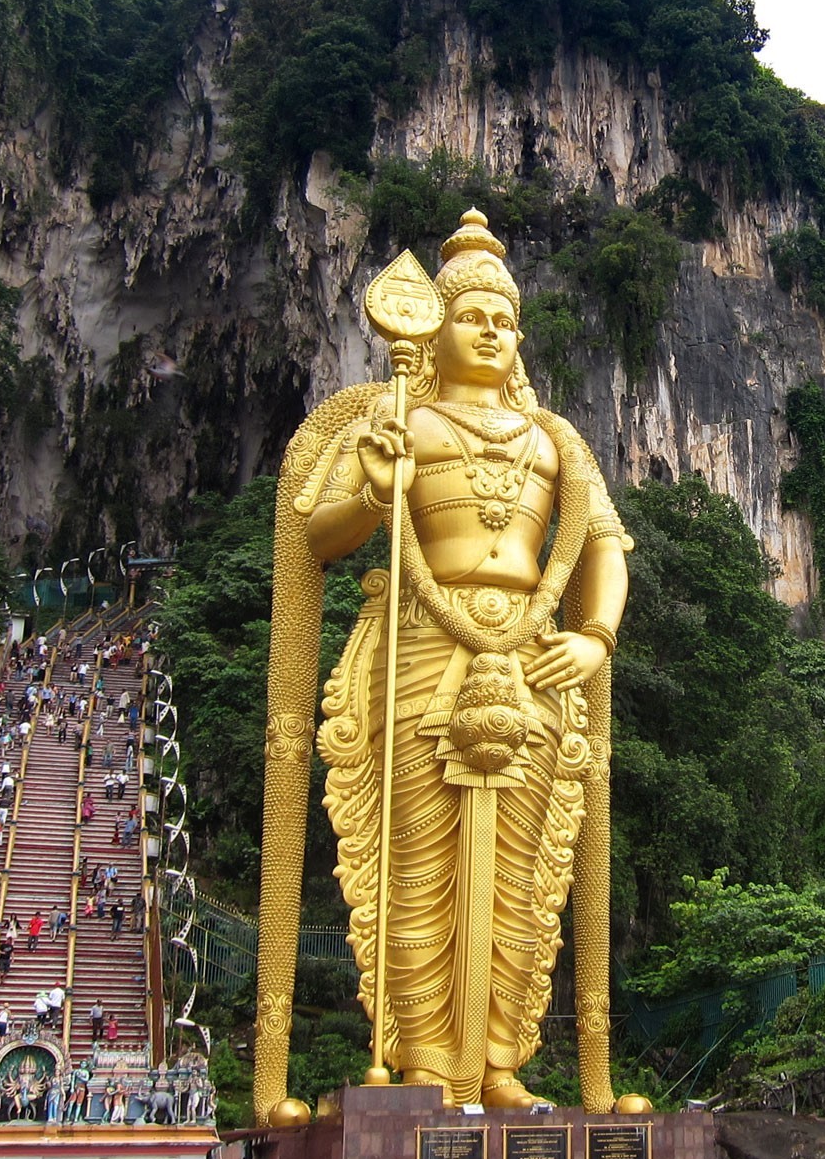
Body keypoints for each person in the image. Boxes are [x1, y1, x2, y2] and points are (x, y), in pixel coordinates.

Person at [262, 211, 633, 1112]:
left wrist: (595, 637)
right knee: (416, 861)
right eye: (474, 316)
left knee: (524, 866)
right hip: (423, 650)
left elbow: (605, 551)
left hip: (535, 656)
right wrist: (374, 491)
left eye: (506, 322)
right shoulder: (400, 422)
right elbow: (319, 535)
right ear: (437, 327)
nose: (492, 332)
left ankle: (501, 1062)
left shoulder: (557, 442)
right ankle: (426, 1058)